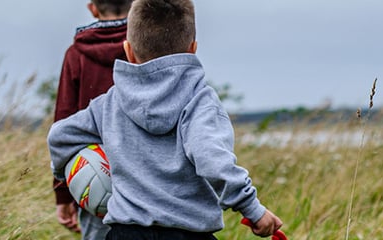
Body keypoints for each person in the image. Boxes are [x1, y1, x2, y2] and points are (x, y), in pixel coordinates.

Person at [47, 0, 283, 239]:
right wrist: (253, 210)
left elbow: (59, 137)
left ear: (128, 51)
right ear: (193, 48)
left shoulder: (108, 103)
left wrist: (68, 173)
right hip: (188, 233)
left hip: (124, 233)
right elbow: (212, 160)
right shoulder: (200, 101)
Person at [52, 0, 133, 238]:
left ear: (93, 9)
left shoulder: (76, 54)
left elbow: (64, 124)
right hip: (150, 179)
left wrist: (64, 193)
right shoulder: (149, 46)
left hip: (95, 179)